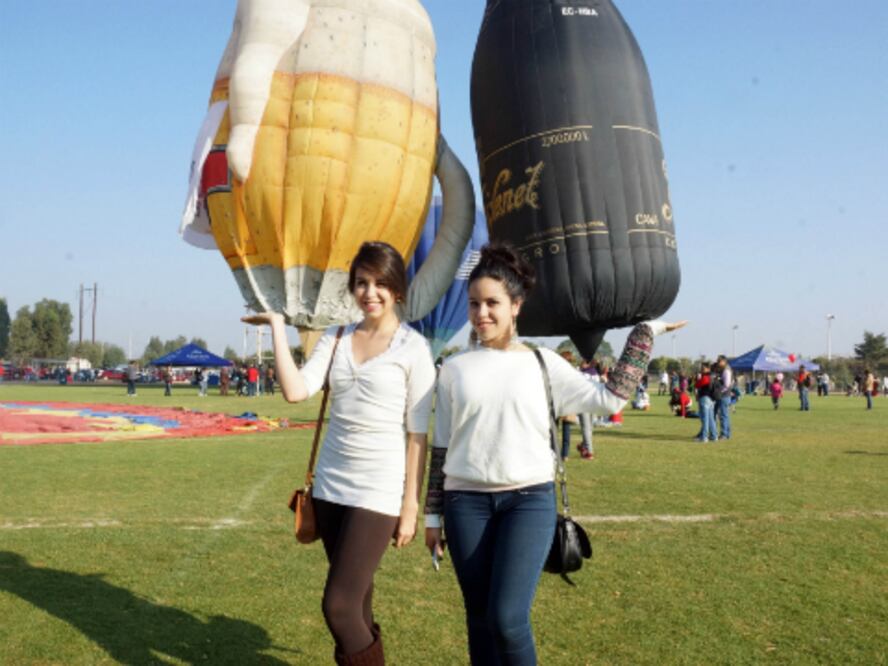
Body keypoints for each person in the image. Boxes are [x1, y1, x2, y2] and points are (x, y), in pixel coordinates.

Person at [423, 244, 685, 665]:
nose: (481, 314)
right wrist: (432, 516)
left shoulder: (544, 363)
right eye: (474, 304)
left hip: (528, 501)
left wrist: (644, 335)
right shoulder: (454, 369)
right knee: (479, 618)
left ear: (516, 306)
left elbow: (612, 397)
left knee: (508, 619)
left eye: (493, 303)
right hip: (464, 503)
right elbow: (441, 445)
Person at [243, 241, 435, 665]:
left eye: (381, 283)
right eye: (362, 282)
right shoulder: (337, 337)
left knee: (339, 606)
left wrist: (409, 505)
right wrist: (277, 326)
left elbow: (416, 435)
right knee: (359, 606)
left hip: (378, 492)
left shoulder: (414, 349)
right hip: (330, 487)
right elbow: (296, 391)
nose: (370, 292)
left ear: (397, 289)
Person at [694, 362, 717, 442]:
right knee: (711, 419)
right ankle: (714, 436)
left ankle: (704, 437)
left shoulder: (706, 377)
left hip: (705, 398)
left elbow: (697, 385)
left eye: (703, 368)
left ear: (708, 368)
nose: (701, 370)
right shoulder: (714, 376)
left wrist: (698, 379)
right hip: (711, 399)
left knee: (705, 419)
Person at [713, 355, 733, 440]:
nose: (718, 362)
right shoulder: (724, 370)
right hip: (724, 395)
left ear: (724, 361)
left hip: (724, 395)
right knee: (725, 415)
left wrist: (719, 392)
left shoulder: (726, 370)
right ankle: (727, 433)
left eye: (719, 361)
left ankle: (724, 434)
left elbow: (727, 384)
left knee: (723, 415)